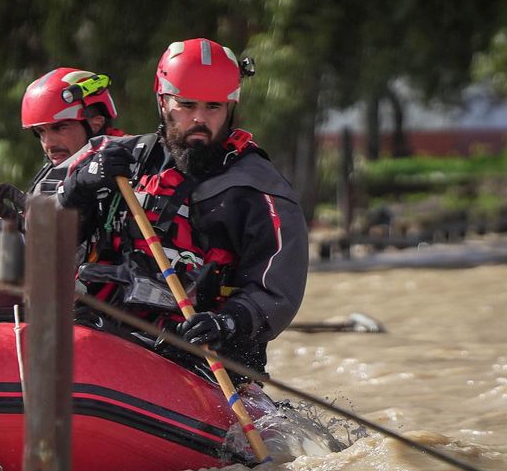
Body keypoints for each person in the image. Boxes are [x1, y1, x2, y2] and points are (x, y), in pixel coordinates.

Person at [55, 38, 308, 374]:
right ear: (163, 102)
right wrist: (77, 189)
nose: (199, 119)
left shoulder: (258, 189)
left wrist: (226, 323)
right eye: (187, 105)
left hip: (198, 360)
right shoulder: (116, 160)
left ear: (230, 108)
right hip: (100, 336)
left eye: (213, 107)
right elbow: (40, 242)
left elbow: (277, 289)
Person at [18, 67, 122, 196]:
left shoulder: (137, 162)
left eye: (60, 128)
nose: (48, 144)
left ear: (96, 124)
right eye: (40, 132)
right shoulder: (46, 182)